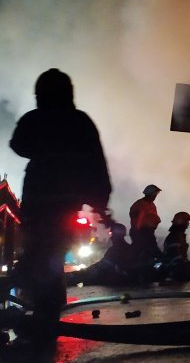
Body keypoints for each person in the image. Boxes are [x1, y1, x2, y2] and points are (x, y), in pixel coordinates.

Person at [9, 68, 112, 337]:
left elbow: (17, 145)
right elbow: (97, 164)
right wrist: (101, 201)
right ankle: (47, 310)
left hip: (36, 203)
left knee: (36, 252)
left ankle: (35, 306)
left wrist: (43, 145)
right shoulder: (80, 121)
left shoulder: (35, 118)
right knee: (53, 254)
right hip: (65, 203)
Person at [68, 222, 133, 286]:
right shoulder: (126, 248)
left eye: (111, 233)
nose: (111, 237)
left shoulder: (115, 250)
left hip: (110, 277)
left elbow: (102, 267)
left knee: (83, 277)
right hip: (111, 276)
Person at [162, 211, 190, 282]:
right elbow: (175, 255)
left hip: (175, 267)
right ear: (181, 222)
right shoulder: (175, 236)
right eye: (186, 221)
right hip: (174, 269)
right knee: (188, 274)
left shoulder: (178, 235)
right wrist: (184, 263)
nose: (188, 224)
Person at [129, 183, 161, 248]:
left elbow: (154, 217)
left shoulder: (152, 205)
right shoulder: (139, 204)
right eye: (154, 194)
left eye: (156, 194)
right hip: (139, 233)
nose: (155, 196)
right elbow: (136, 219)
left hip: (148, 232)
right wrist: (137, 231)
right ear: (150, 194)